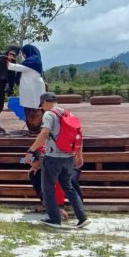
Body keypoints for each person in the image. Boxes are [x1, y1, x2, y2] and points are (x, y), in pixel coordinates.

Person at [27, 92, 88, 228]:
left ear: (44, 102)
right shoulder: (68, 114)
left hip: (53, 157)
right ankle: (82, 217)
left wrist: (30, 151)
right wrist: (79, 154)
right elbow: (79, 135)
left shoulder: (49, 114)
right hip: (69, 157)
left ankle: (55, 219)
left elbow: (44, 133)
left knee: (47, 188)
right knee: (69, 188)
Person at [8, 44, 46, 136]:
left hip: (33, 89)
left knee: (35, 109)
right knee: (29, 108)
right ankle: (33, 130)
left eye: (23, 53)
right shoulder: (32, 61)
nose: (23, 55)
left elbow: (15, 67)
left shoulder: (33, 61)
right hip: (30, 89)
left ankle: (35, 130)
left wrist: (8, 60)